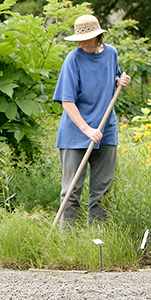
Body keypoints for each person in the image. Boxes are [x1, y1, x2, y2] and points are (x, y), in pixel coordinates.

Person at [52, 14, 131, 227]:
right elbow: (67, 101)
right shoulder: (73, 59)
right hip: (76, 131)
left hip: (106, 130)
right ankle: (67, 243)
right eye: (80, 38)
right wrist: (87, 129)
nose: (83, 42)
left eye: (88, 38)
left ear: (99, 37)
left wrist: (119, 80)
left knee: (101, 192)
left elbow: (111, 78)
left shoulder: (111, 53)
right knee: (72, 191)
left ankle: (96, 242)